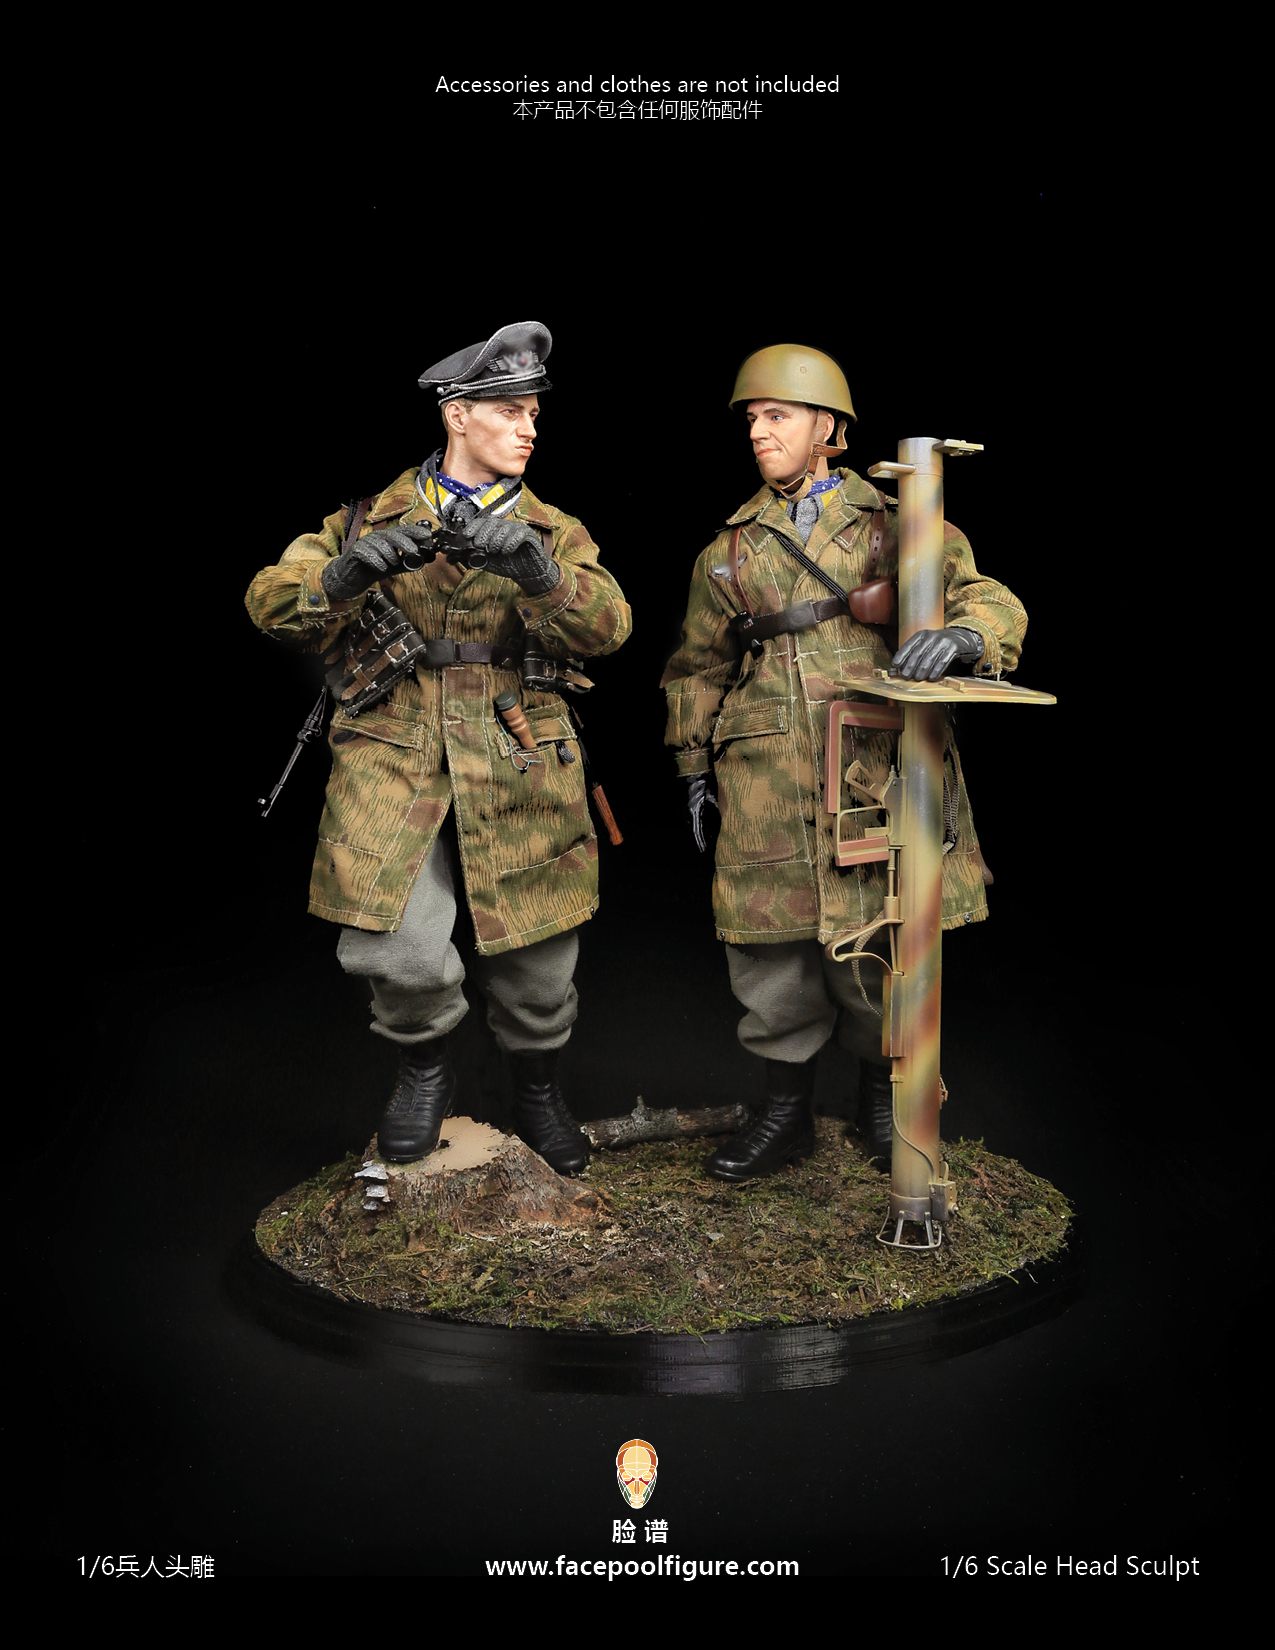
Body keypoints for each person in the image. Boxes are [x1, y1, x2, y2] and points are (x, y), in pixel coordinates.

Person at [245, 322, 631, 1175]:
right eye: (509, 412)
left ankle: (537, 1085)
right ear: (458, 415)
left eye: (534, 414)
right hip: (396, 738)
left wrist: (541, 575)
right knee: (394, 938)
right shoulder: (362, 519)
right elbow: (269, 602)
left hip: (517, 741)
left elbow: (609, 627)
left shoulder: (552, 529)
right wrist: (343, 575)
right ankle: (423, 1068)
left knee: (538, 948)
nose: (529, 429)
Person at [660, 344, 1026, 1181]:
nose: (758, 431)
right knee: (768, 947)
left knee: (881, 933)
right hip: (761, 769)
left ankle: (880, 1098)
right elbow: (696, 665)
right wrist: (691, 765)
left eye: (776, 415)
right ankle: (783, 1111)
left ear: (826, 426)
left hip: (870, 758)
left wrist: (965, 636)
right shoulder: (727, 549)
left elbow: (986, 596)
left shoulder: (900, 522)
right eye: (751, 419)